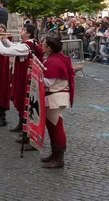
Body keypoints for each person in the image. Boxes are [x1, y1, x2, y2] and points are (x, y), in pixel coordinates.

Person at [0, 23, 43, 148]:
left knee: (26, 104)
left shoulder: (28, 46)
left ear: (28, 34)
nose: (21, 31)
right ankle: (23, 128)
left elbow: (5, 52)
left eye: (23, 30)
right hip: (21, 77)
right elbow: (13, 46)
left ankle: (29, 134)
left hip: (27, 79)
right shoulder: (25, 45)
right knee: (21, 101)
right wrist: (3, 39)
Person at [40, 36, 75, 169]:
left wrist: (35, 75)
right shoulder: (54, 59)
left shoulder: (55, 62)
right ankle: (55, 154)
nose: (41, 46)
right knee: (52, 126)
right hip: (53, 96)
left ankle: (59, 158)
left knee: (57, 126)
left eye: (43, 44)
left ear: (49, 48)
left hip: (56, 96)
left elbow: (49, 81)